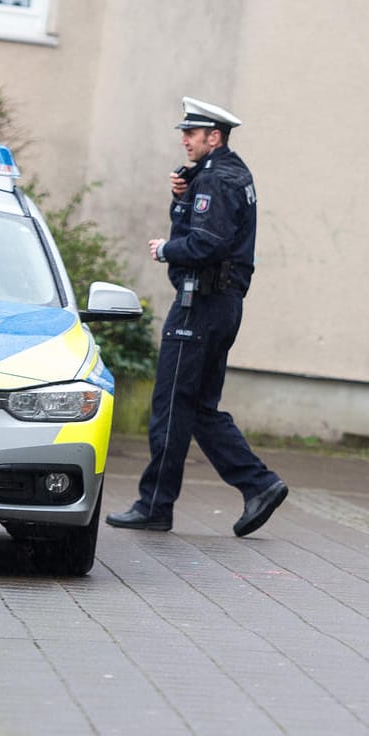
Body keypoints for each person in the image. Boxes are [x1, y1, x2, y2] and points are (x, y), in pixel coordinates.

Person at [108, 98, 289, 537]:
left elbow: (205, 242)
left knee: (171, 404)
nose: (185, 139)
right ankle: (259, 485)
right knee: (199, 408)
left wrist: (165, 250)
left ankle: (155, 505)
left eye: (193, 133)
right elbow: (201, 227)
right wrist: (181, 199)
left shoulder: (217, 178)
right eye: (184, 133)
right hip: (218, 304)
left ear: (215, 136)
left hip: (201, 304)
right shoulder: (223, 175)